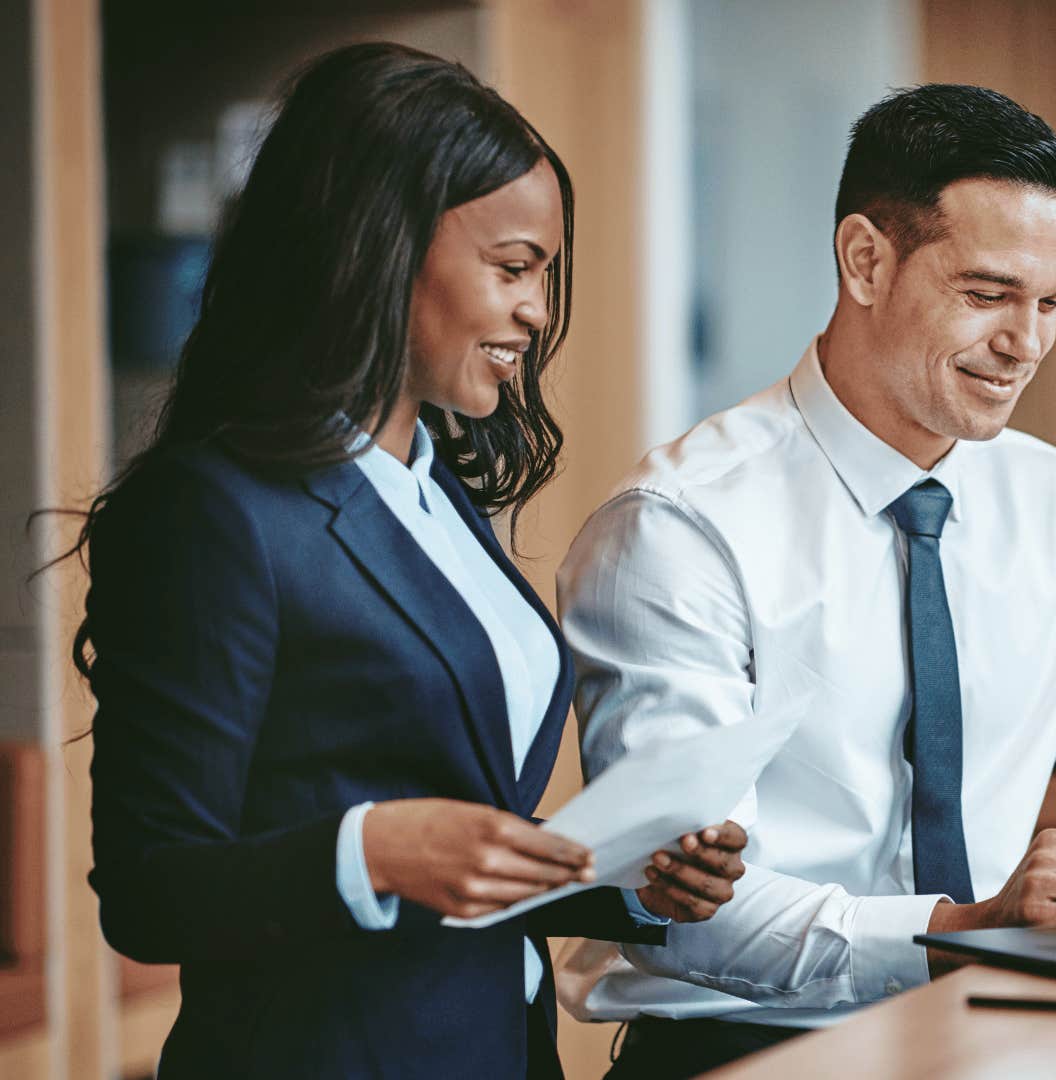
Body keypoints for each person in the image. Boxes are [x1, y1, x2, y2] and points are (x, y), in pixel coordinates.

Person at [74, 43, 745, 1079]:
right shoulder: (218, 512)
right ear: (383, 247)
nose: (537, 310)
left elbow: (459, 847)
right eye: (513, 267)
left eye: (546, 276)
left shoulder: (437, 496)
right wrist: (373, 849)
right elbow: (151, 886)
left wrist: (624, 881)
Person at [558, 83, 1056, 1076]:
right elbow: (688, 913)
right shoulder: (682, 526)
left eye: (1050, 303)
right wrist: (964, 925)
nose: (1027, 344)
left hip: (1001, 1039)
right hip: (744, 1052)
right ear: (866, 260)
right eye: (988, 294)